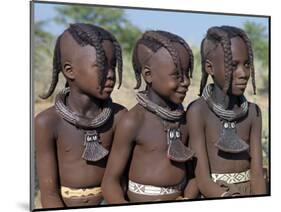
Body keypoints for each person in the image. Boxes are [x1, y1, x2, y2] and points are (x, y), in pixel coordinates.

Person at [35, 23, 127, 208]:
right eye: (100, 66)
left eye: (113, 66)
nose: (110, 75)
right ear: (70, 71)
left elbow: (122, 179)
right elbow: (49, 193)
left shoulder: (119, 117)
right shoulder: (47, 122)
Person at [102, 30, 199, 203]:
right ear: (148, 75)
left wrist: (188, 198)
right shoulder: (133, 121)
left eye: (187, 73)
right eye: (177, 75)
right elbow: (111, 181)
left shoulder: (185, 119)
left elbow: (193, 175)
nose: (185, 82)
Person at [187, 26, 267, 198]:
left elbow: (257, 173)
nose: (243, 73)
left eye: (247, 65)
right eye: (233, 65)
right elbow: (202, 179)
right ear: (210, 68)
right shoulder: (198, 112)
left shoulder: (253, 112)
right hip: (215, 194)